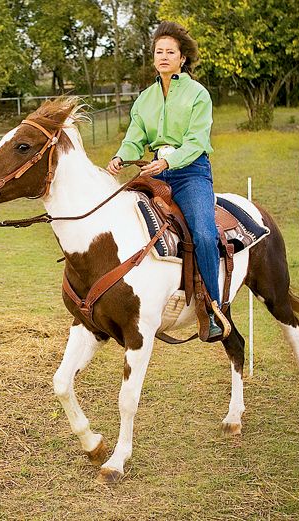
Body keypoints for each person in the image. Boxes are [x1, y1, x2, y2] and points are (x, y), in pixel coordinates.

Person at [107, 20, 225, 339]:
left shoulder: (198, 94)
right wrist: (121, 155)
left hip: (190, 173)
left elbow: (197, 140)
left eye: (169, 51)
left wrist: (167, 161)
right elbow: (135, 136)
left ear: (182, 57)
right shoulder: (144, 99)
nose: (163, 56)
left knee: (202, 232)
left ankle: (214, 308)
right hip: (154, 172)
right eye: (158, 51)